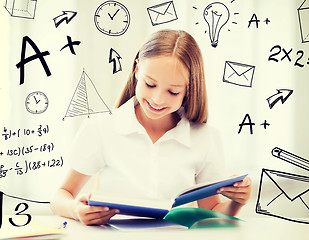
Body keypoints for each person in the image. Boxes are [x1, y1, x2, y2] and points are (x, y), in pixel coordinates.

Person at [50, 29, 252, 226]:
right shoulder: (101, 128)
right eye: (150, 84)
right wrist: (76, 210)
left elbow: (212, 214)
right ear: (137, 69)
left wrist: (236, 203)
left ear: (189, 89)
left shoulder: (205, 137)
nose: (157, 99)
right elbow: (60, 196)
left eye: (173, 92)